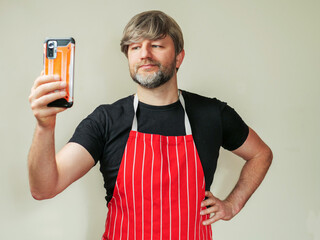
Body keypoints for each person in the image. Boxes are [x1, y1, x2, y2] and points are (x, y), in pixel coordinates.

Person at [28, 10, 272, 240]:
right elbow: (45, 187)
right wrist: (44, 127)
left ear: (179, 57)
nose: (144, 53)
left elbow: (261, 154)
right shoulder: (106, 121)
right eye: (135, 47)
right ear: (129, 58)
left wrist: (232, 204)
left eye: (156, 45)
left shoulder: (212, 114)